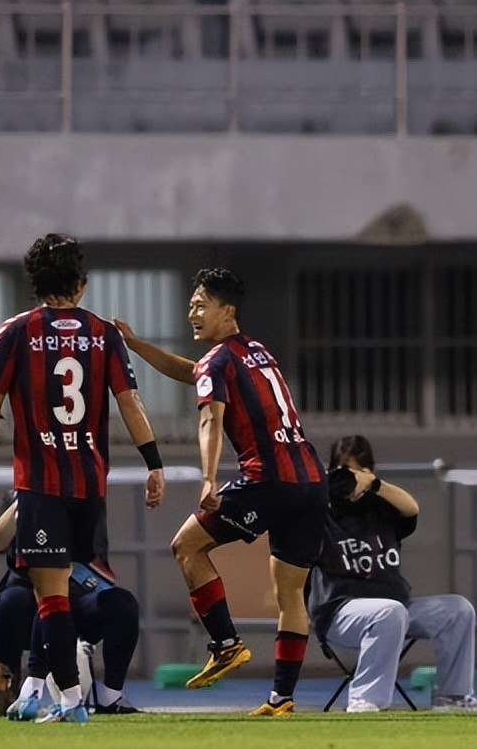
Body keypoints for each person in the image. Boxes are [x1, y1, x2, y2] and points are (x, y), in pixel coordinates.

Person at [116, 267, 327, 717]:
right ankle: (282, 699)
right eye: (191, 305)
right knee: (290, 593)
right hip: (311, 478)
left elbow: (210, 416)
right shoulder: (255, 351)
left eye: (199, 305)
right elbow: (196, 373)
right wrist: (136, 345)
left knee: (187, 546)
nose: (191, 312)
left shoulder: (219, 361)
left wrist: (208, 478)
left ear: (225, 309)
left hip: (268, 479)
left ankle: (227, 643)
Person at [0, 233, 164, 725]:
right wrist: (154, 463)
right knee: (60, 594)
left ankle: (69, 702)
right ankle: (48, 693)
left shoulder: (16, 330)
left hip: (42, 483)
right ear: (80, 285)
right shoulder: (104, 333)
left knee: (51, 597)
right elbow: (130, 404)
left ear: (35, 283)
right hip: (89, 483)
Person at [310, 435, 477, 714]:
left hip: (397, 611)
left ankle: (453, 696)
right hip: (339, 613)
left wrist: (373, 484)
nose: (354, 479)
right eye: (346, 470)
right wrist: (326, 486)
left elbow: (412, 508)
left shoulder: (381, 507)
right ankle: (365, 699)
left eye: (361, 470)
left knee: (458, 610)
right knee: (390, 612)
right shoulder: (321, 512)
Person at [0, 495, 143, 717]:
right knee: (10, 602)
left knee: (122, 604)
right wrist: (26, 500)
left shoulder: (85, 495)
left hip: (76, 591)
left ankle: (109, 697)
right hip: (27, 590)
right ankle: (9, 693)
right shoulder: (19, 494)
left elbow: (88, 555)